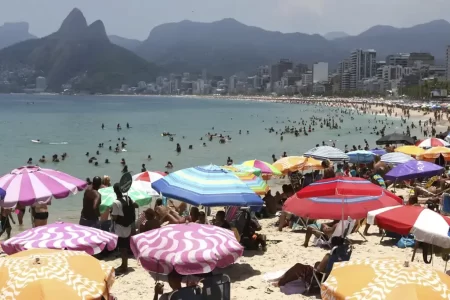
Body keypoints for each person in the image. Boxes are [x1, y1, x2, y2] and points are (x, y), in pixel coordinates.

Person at [273, 237, 345, 287]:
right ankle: (283, 278)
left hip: (320, 277)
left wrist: (317, 266)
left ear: (332, 246)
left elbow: (318, 270)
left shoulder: (329, 256)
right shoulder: (344, 257)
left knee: (298, 267)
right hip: (332, 278)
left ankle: (280, 283)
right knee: (302, 266)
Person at [111, 183, 138, 273]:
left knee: (122, 248)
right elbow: (136, 205)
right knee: (125, 247)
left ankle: (124, 266)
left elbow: (114, 217)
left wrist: (111, 212)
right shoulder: (128, 198)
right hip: (128, 226)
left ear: (114, 191)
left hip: (120, 228)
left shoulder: (116, 202)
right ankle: (124, 264)